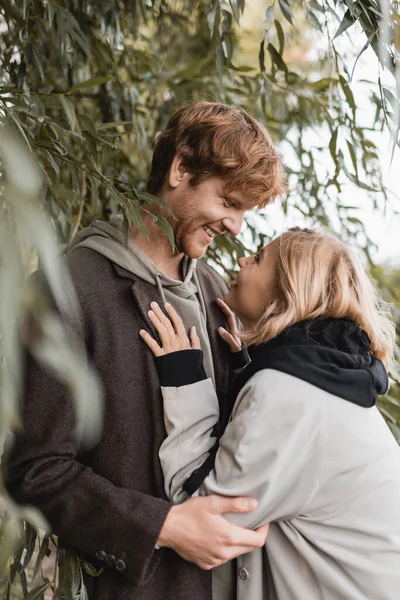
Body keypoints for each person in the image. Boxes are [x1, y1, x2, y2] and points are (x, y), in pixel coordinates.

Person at [5, 102, 285, 600]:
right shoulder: (65, 289)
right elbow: (36, 470)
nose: (236, 226)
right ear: (179, 169)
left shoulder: (222, 295)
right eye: (228, 201)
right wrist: (166, 526)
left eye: (244, 211)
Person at [141, 227, 400, 600]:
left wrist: (185, 378)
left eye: (259, 259)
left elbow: (203, 513)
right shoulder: (328, 378)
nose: (243, 259)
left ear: (286, 292)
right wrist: (246, 367)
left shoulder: (289, 391)